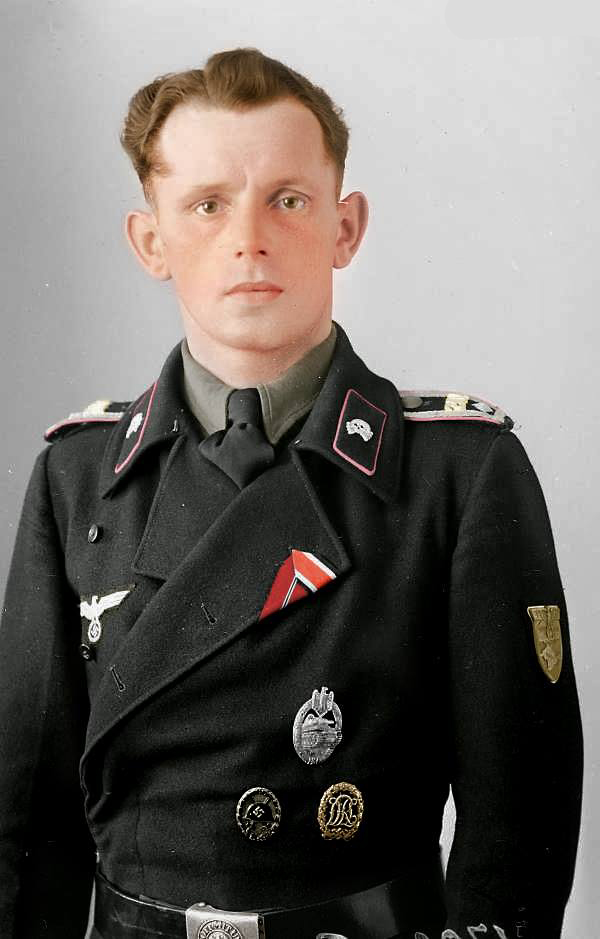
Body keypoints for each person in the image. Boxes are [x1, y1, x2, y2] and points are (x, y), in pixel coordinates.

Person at [0, 47, 583, 939]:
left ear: (345, 227)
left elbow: (518, 825)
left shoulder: (458, 475)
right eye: (207, 204)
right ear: (151, 241)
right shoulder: (76, 476)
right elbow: (26, 821)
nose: (249, 238)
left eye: (288, 199)